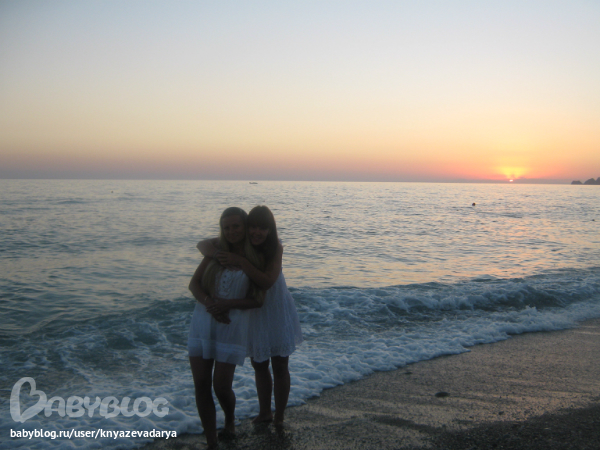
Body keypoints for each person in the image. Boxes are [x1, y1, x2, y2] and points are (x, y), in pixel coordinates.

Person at [197, 205, 303, 426]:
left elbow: (267, 281)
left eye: (262, 228)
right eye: (253, 227)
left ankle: (280, 416)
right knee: (259, 364)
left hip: (275, 308)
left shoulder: (275, 248)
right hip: (252, 310)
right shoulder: (240, 244)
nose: (256, 232)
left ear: (270, 230)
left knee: (280, 364)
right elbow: (202, 244)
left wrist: (241, 262)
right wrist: (217, 255)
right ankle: (265, 412)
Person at [188, 207, 265, 449]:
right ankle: (211, 441)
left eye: (236, 226)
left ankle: (230, 419)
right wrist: (210, 303)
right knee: (201, 384)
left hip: (232, 326)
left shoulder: (254, 258)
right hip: (203, 321)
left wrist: (227, 305)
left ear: (245, 227)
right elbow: (194, 284)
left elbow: (258, 300)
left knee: (221, 386)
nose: (231, 231)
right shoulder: (216, 253)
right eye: (226, 227)